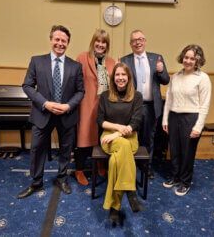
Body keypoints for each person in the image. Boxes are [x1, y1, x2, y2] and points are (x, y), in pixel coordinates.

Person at [17, 25, 84, 199]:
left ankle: (62, 178)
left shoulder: (75, 66)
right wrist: (45, 103)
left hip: (66, 115)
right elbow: (27, 86)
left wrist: (68, 106)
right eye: (57, 39)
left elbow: (80, 91)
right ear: (51, 40)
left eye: (64, 41)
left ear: (68, 43)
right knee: (37, 149)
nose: (60, 43)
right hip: (42, 114)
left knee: (65, 149)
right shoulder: (37, 61)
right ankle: (36, 182)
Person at [97, 62, 144, 225]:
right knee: (122, 147)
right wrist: (116, 128)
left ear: (128, 77)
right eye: (117, 74)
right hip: (108, 137)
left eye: (124, 74)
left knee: (115, 160)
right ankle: (130, 190)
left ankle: (114, 207)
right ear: (113, 77)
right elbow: (100, 121)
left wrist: (118, 133)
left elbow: (136, 122)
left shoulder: (137, 96)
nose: (120, 78)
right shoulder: (105, 96)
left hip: (130, 136)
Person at [162, 44, 211, 196]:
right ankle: (175, 177)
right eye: (186, 57)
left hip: (191, 119)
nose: (188, 61)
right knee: (174, 150)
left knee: (187, 152)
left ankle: (185, 181)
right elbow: (169, 100)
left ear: (198, 61)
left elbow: (205, 105)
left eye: (192, 58)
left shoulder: (203, 78)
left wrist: (198, 127)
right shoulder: (176, 76)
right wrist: (165, 120)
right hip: (174, 117)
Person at [121, 30, 169, 179]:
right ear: (130, 44)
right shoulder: (124, 60)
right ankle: (131, 166)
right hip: (132, 107)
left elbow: (166, 80)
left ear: (145, 41)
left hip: (150, 106)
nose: (138, 42)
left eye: (140, 39)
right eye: (134, 40)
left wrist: (161, 71)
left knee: (149, 138)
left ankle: (146, 167)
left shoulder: (157, 58)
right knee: (131, 137)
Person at [75, 29, 115, 186]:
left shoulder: (111, 62)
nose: (100, 44)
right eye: (98, 41)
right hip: (86, 104)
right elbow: (75, 81)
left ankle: (100, 163)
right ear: (93, 42)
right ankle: (79, 169)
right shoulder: (82, 58)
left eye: (104, 42)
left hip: (105, 107)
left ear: (107, 45)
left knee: (102, 136)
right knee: (84, 138)